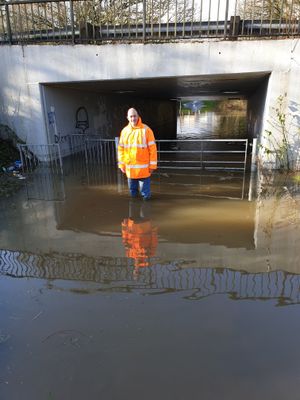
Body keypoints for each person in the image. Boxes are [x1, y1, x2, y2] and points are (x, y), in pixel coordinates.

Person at [118, 108, 157, 200]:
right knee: (133, 195)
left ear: (138, 116)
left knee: (146, 196)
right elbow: (121, 149)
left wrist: (152, 166)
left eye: (134, 116)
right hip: (130, 171)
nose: (133, 118)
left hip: (144, 171)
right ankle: (134, 211)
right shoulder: (124, 131)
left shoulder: (146, 130)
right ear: (127, 118)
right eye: (131, 116)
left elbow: (153, 150)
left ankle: (145, 212)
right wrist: (121, 164)